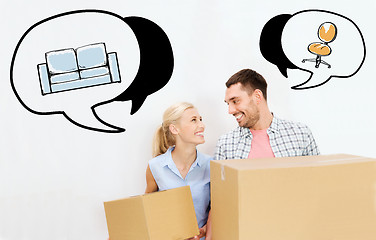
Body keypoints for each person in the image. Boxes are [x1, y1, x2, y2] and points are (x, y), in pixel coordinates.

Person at [215, 69, 319, 160]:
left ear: (257, 96)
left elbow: (318, 177)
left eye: (235, 101)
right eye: (228, 103)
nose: (230, 110)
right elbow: (221, 183)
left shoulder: (300, 134)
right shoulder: (226, 144)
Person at [145, 102, 212, 240]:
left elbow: (219, 208)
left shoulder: (212, 165)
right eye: (194, 120)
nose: (201, 125)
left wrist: (205, 230)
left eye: (200, 119)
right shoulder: (154, 167)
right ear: (175, 129)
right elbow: (147, 210)